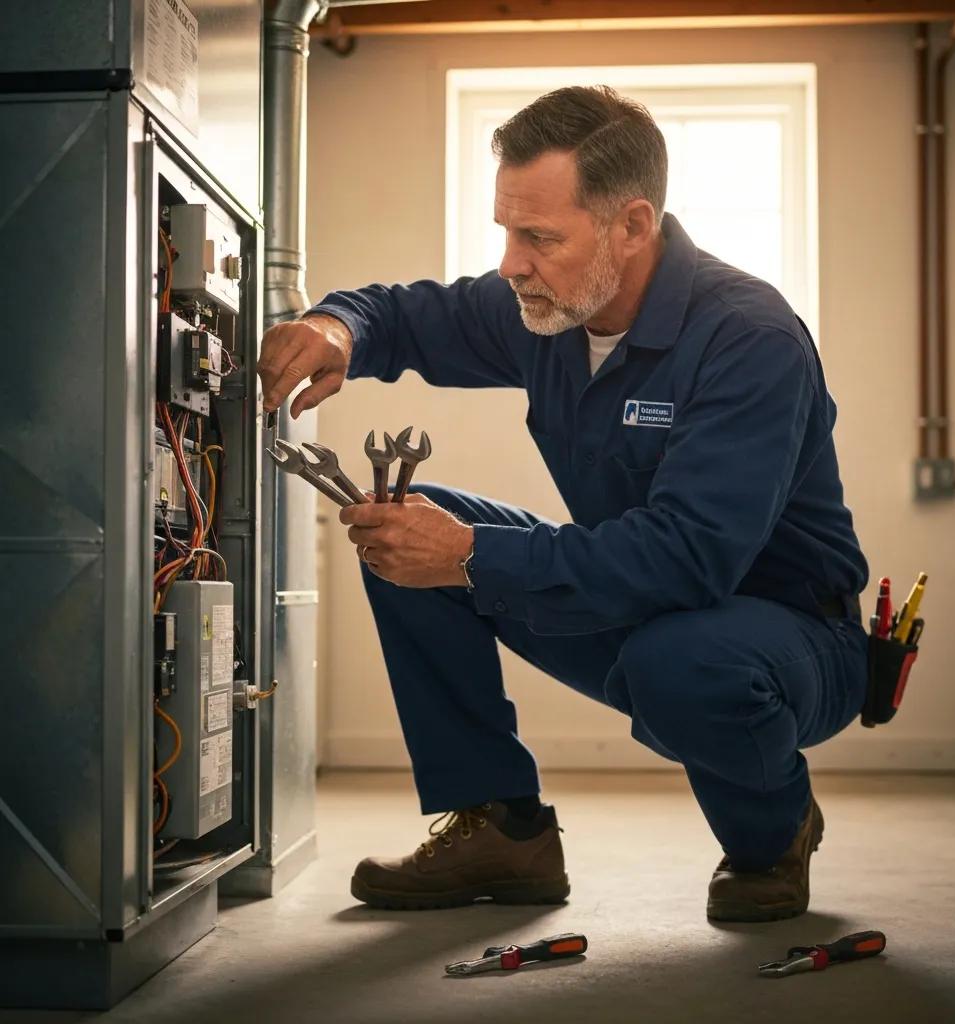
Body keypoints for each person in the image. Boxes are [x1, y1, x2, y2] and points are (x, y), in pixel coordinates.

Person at [257, 86, 869, 922]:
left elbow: (689, 559)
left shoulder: (747, 338)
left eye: (539, 237)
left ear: (632, 226)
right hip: (647, 608)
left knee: (679, 660)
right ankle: (503, 830)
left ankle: (774, 833)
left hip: (788, 635)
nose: (512, 262)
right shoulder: (542, 308)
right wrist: (337, 327)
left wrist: (471, 554)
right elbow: (403, 315)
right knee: (405, 522)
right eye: (508, 232)